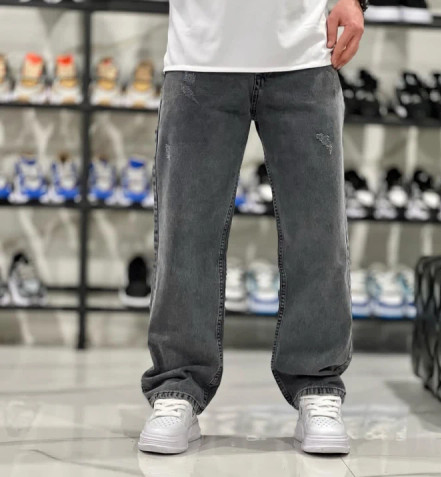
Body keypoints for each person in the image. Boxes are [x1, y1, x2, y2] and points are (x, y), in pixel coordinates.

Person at [139, 0, 366, 455]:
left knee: (318, 233)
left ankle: (317, 385)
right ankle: (177, 387)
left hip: (304, 51)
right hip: (200, 52)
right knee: (186, 234)